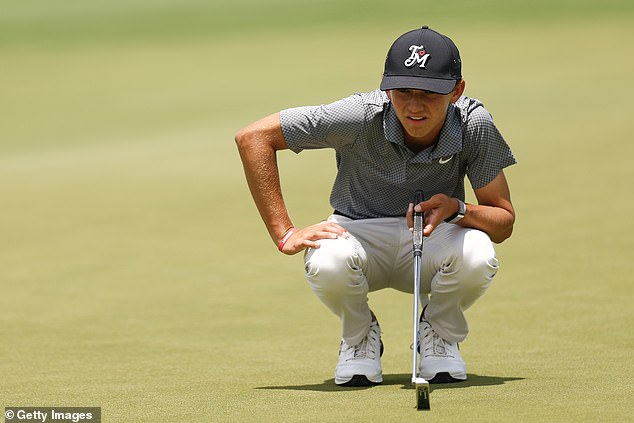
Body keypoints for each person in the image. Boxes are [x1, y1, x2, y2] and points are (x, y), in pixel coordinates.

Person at [235, 25, 516, 387]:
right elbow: (254, 138)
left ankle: (439, 334)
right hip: (357, 233)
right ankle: (359, 338)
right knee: (327, 260)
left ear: (457, 91)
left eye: (430, 93)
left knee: (479, 253)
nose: (414, 106)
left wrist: (458, 208)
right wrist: (284, 231)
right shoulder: (358, 115)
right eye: (403, 91)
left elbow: (504, 222)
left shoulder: (474, 124)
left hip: (434, 238)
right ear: (385, 85)